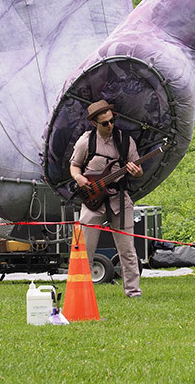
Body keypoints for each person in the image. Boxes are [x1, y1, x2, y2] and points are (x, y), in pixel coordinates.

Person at [69, 99, 144, 298]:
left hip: (119, 199)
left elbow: (139, 171)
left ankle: (133, 292)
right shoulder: (86, 141)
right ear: (94, 123)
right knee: (85, 250)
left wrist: (136, 171)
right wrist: (79, 178)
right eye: (105, 123)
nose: (110, 125)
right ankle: (81, 293)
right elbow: (74, 165)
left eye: (112, 121)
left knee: (127, 250)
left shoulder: (125, 140)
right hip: (92, 200)